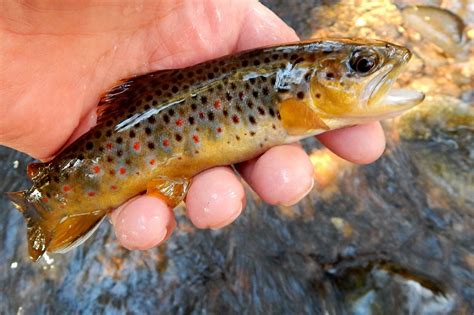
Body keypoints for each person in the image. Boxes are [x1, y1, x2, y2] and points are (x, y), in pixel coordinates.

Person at [0, 0, 385, 251]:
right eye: (362, 65)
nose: (389, 62)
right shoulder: (294, 98)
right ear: (301, 83)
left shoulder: (292, 94)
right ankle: (50, 204)